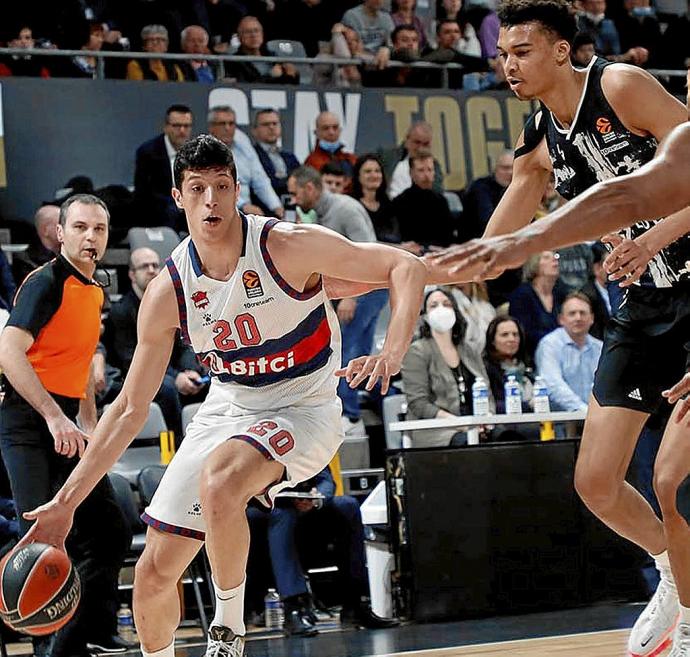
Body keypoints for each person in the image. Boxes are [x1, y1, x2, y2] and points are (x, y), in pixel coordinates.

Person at [19, 135, 426, 657]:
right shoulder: (169, 289)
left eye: (221, 187)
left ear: (237, 190)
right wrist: (65, 503)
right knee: (153, 574)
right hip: (229, 406)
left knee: (223, 479)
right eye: (198, 189)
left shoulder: (286, 245)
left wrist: (389, 356)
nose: (211, 200)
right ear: (177, 197)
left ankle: (228, 632)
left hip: (303, 408)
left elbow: (405, 267)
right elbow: (126, 410)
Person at [425, 1, 690, 653]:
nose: (507, 64)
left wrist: (656, 235)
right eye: (502, 53)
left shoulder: (622, 85)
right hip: (644, 308)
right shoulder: (544, 134)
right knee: (595, 481)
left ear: (562, 52)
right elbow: (513, 212)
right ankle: (673, 575)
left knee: (673, 481)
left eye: (521, 51)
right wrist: (457, 266)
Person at [0, 194, 131, 657]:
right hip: (26, 420)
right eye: (79, 227)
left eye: (98, 229)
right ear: (60, 232)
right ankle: (45, 646)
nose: (90, 237)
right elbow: (9, 352)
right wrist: (54, 417)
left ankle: (76, 641)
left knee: (109, 532)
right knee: (40, 540)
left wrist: (89, 422)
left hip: (67, 425)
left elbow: (80, 364)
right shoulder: (44, 281)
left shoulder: (96, 289)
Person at [287, 166, 386, 437]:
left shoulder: (346, 209)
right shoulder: (318, 215)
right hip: (356, 289)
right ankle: (366, 410)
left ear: (310, 189)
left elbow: (371, 254)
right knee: (362, 350)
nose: (293, 200)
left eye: (296, 193)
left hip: (370, 288)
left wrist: (351, 297)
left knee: (345, 350)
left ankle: (350, 415)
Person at [267, 466, 397, 635]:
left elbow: (326, 480)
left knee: (348, 505)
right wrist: (287, 500)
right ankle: (294, 607)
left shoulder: (309, 444)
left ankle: (356, 602)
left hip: (309, 505)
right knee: (281, 515)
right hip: (272, 506)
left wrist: (316, 499)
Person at [103, 247, 208, 439]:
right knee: (166, 389)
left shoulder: (171, 303)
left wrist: (189, 370)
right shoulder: (121, 311)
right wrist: (176, 377)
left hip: (168, 371)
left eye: (155, 265)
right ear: (132, 275)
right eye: (144, 266)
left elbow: (183, 344)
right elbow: (130, 359)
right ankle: (175, 449)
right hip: (128, 375)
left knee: (208, 379)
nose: (152, 270)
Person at [401, 287, 493, 448]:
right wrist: (462, 424)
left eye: (446, 304)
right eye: (434, 305)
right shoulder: (417, 351)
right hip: (436, 429)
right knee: (467, 443)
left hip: (476, 424)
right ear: (425, 316)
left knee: (509, 437)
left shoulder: (469, 350)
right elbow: (418, 403)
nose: (441, 309)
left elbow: (487, 391)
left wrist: (487, 420)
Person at [208, 105, 284, 218]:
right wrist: (243, 205)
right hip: (219, 208)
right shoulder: (205, 150)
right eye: (222, 124)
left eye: (231, 123)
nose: (228, 128)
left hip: (245, 212)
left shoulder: (242, 143)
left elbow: (260, 180)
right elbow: (217, 187)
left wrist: (276, 206)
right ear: (211, 127)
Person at [535, 292, 603, 411]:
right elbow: (553, 384)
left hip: (596, 417)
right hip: (560, 419)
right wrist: (583, 410)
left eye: (583, 313)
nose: (578, 318)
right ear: (561, 319)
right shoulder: (550, 344)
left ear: (592, 318)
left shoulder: (600, 348)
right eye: (572, 313)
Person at [134, 104, 193, 231]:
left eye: (186, 126)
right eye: (177, 126)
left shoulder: (195, 152)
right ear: (166, 127)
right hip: (159, 212)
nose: (182, 130)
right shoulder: (148, 152)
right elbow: (144, 194)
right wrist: (177, 204)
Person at [391, 151, 456, 250]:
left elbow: (449, 236)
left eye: (430, 170)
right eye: (421, 170)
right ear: (411, 173)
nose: (426, 175)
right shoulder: (400, 202)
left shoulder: (441, 201)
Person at [508, 250, 566, 357]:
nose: (554, 260)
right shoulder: (522, 295)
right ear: (534, 264)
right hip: (533, 354)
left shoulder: (561, 293)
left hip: (563, 352)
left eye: (555, 257)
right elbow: (524, 332)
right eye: (546, 257)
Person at [226, 16, 300, 85]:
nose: (253, 35)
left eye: (256, 30)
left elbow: (289, 83)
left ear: (262, 34)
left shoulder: (272, 55)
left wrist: (292, 73)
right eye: (248, 32)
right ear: (239, 37)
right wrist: (270, 75)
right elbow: (245, 88)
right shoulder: (234, 61)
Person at [482, 315, 533, 414]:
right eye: (505, 335)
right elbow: (493, 405)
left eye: (515, 334)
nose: (512, 339)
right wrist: (529, 406)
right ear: (492, 340)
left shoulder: (528, 366)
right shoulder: (485, 369)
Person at [461, 150, 514, 239]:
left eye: (514, 168)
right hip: (478, 241)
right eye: (505, 168)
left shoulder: (515, 187)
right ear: (495, 169)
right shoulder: (480, 187)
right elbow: (488, 221)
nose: (510, 172)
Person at [251, 109, 300, 202]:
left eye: (275, 123)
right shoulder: (251, 156)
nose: (271, 127)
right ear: (254, 130)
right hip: (263, 211)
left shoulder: (290, 157)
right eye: (266, 124)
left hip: (292, 209)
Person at [386, 121, 444, 199]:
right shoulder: (390, 159)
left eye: (425, 144)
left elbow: (437, 191)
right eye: (417, 142)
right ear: (407, 141)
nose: (420, 147)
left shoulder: (434, 166)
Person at [304, 111, 358, 183]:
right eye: (326, 128)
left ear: (340, 130)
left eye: (335, 127)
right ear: (316, 133)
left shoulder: (351, 159)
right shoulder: (311, 162)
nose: (331, 132)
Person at [342, 0, 394, 69]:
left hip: (381, 63)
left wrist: (387, 49)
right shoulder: (351, 15)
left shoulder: (386, 17)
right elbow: (351, 46)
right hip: (357, 63)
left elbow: (393, 42)